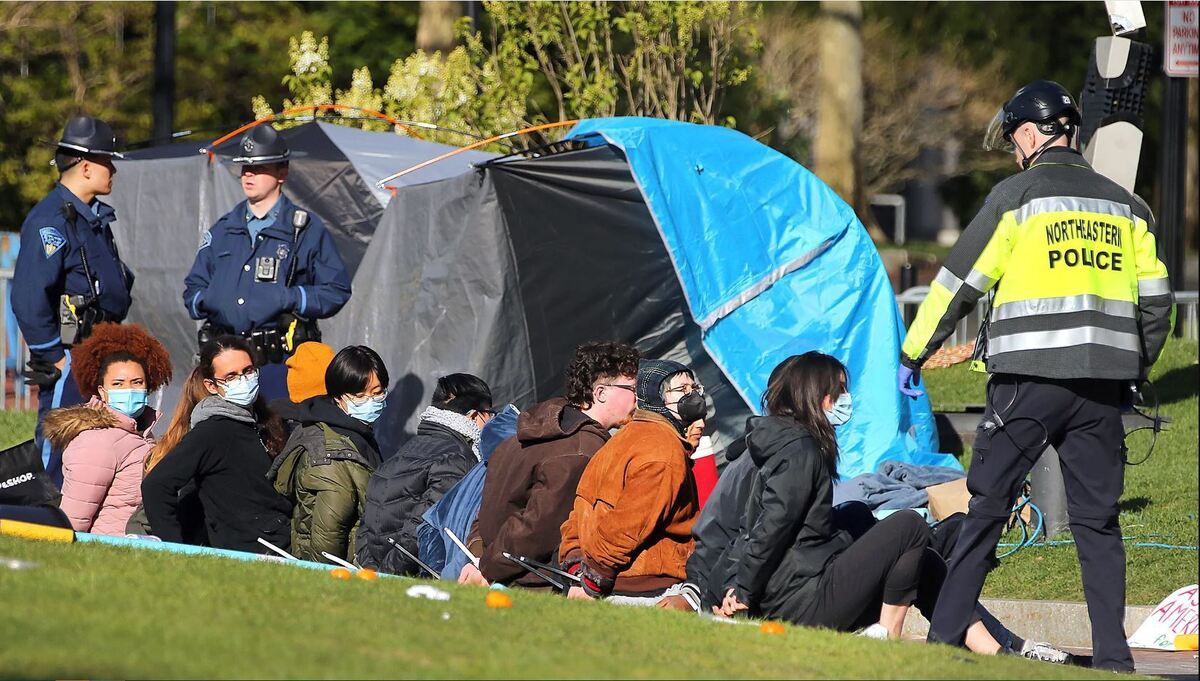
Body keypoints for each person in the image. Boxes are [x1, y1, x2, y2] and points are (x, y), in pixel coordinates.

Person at [897, 80, 1172, 672]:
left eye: (1014, 138)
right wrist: (1135, 364)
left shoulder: (1016, 197)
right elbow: (1157, 302)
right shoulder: (1127, 207)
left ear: (1028, 134)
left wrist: (912, 355)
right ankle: (1115, 660)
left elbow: (956, 286)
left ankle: (943, 649)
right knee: (1099, 526)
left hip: (1026, 384)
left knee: (986, 509)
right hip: (1103, 390)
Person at [684, 356, 1070, 663]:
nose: (846, 400)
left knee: (888, 534)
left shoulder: (787, 444)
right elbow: (772, 526)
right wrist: (742, 590)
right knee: (907, 527)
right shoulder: (798, 450)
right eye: (840, 391)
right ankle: (888, 637)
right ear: (819, 397)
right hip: (797, 602)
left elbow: (784, 526)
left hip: (796, 587)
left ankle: (991, 649)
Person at [182, 125, 351, 403]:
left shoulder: (305, 229)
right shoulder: (223, 230)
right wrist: (210, 299)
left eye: (259, 168)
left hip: (278, 363)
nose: (248, 174)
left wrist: (291, 297)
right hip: (226, 367)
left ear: (282, 173)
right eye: (245, 168)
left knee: (280, 439)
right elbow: (193, 289)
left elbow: (337, 289)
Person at [13, 116, 134, 486]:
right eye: (107, 161)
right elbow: (28, 295)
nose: (112, 168)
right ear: (85, 167)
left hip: (97, 349)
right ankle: (46, 511)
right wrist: (55, 356)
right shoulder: (50, 220)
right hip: (71, 352)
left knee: (94, 443)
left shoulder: (92, 218)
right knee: (59, 440)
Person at [460, 341, 640, 587]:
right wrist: (486, 568)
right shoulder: (582, 451)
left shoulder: (524, 435)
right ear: (600, 393)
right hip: (532, 585)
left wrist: (480, 556)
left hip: (499, 572)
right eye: (631, 388)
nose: (638, 397)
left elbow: (486, 514)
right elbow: (536, 528)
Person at [557, 358, 705, 605]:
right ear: (656, 397)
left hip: (611, 580)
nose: (692, 396)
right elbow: (629, 520)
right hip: (642, 588)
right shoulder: (663, 450)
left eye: (694, 389)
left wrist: (575, 556)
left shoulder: (622, 438)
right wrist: (596, 572)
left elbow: (581, 508)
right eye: (681, 390)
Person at [141, 335, 291, 552]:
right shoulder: (213, 431)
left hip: (280, 544)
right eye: (231, 376)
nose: (243, 380)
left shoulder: (262, 422)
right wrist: (175, 549)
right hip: (250, 553)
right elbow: (156, 484)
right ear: (211, 386)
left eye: (248, 371)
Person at [355, 374, 494, 574]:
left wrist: (371, 568)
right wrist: (387, 574)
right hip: (409, 574)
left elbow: (367, 521)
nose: (491, 421)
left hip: (378, 565)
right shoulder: (457, 459)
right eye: (490, 414)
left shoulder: (407, 449)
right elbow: (421, 528)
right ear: (473, 416)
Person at [43, 323, 171, 534]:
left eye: (137, 382)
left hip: (141, 551)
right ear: (102, 391)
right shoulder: (96, 442)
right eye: (118, 384)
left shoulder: (142, 432)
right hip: (110, 553)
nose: (129, 390)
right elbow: (73, 523)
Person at [269, 346, 387, 564]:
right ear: (338, 396)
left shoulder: (355, 433)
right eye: (360, 396)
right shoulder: (330, 453)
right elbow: (328, 539)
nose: (371, 401)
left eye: (378, 392)